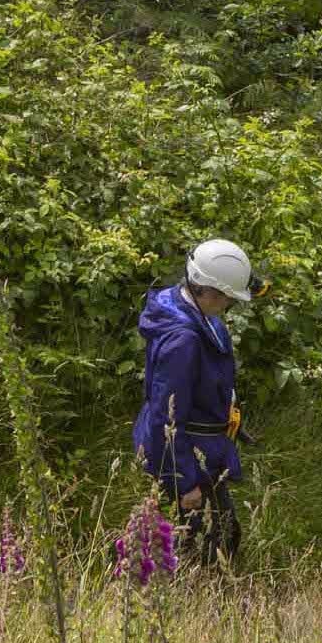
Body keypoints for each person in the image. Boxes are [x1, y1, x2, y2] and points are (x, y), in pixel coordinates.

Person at [133, 239, 261, 565]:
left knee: (220, 535)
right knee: (202, 541)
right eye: (229, 298)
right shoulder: (183, 339)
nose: (230, 304)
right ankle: (177, 599)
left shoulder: (202, 317)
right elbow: (166, 414)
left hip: (204, 446)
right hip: (183, 454)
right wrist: (182, 480)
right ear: (209, 291)